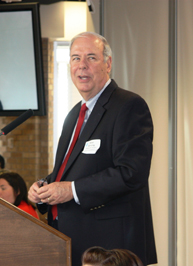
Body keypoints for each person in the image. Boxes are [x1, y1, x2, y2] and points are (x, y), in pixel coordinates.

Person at [28, 32, 157, 266]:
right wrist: (43, 188)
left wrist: (72, 190)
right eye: (76, 58)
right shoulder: (73, 115)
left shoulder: (128, 106)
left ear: (107, 64)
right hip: (70, 242)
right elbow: (68, 172)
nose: (82, 66)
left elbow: (131, 173)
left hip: (110, 248)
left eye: (91, 58)